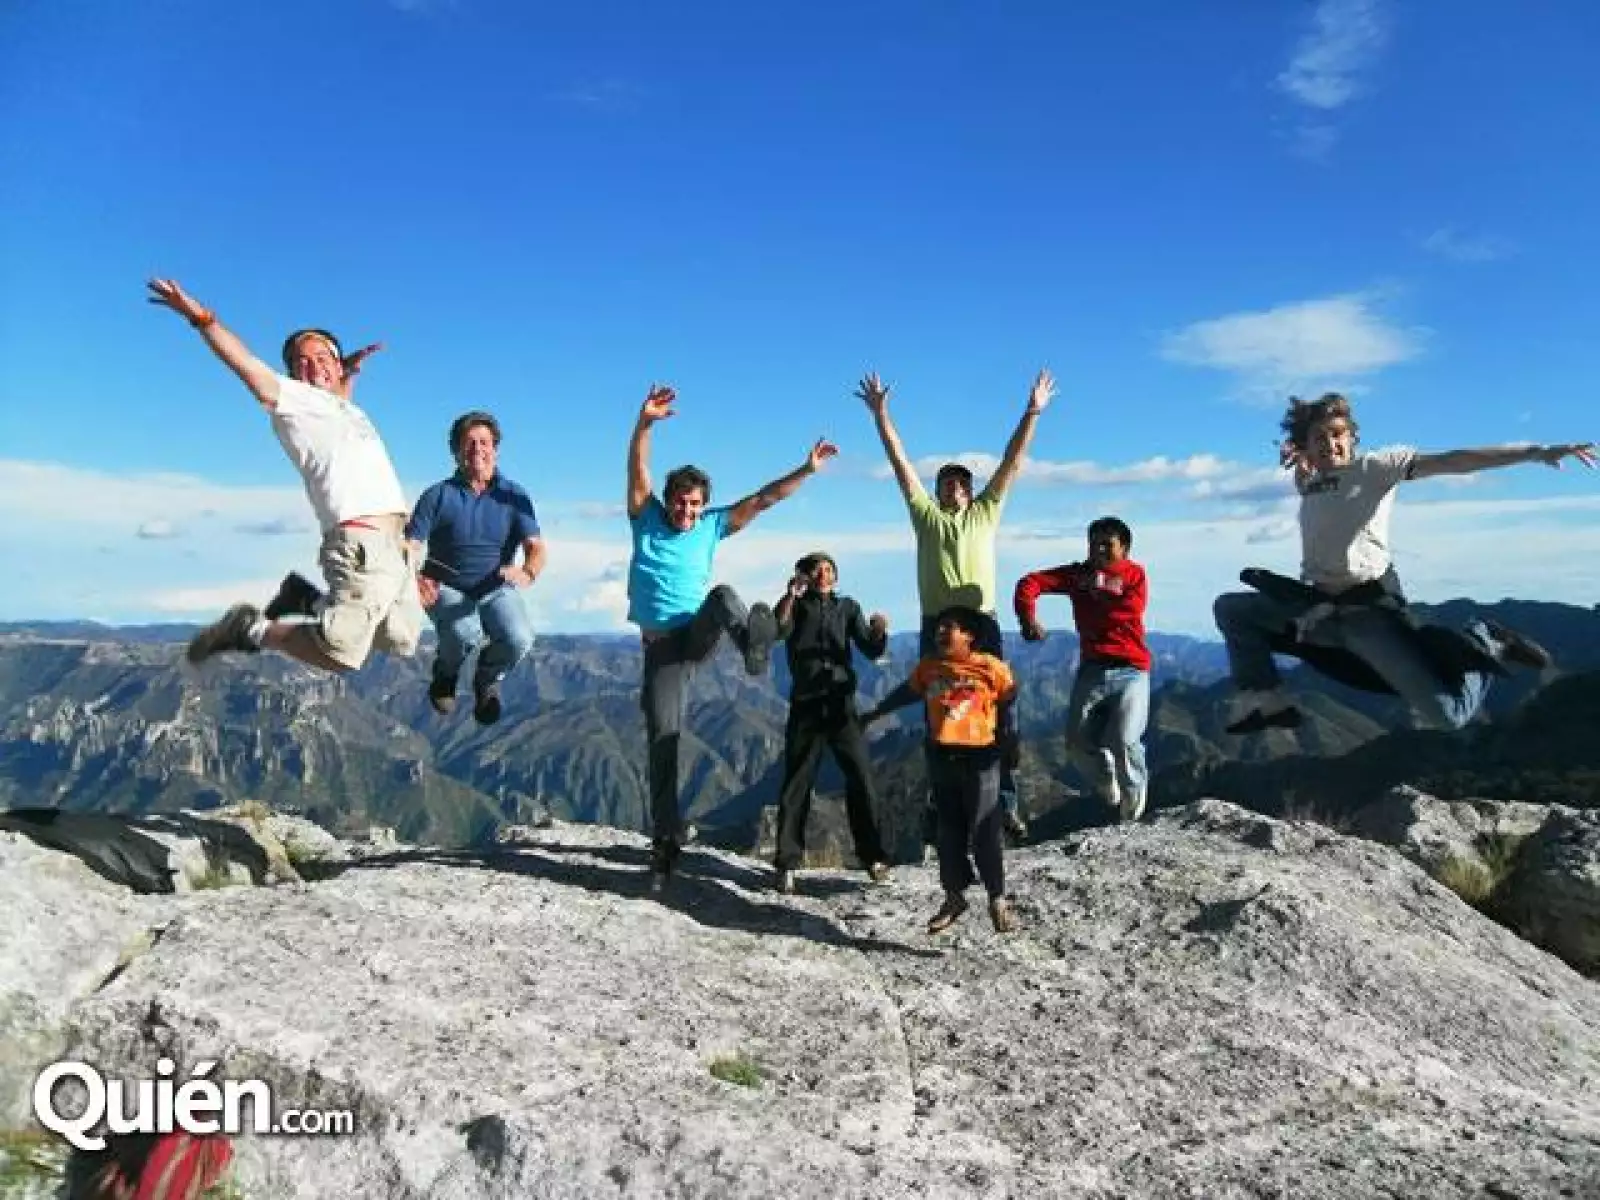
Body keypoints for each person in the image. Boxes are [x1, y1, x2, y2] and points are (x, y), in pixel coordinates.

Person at [1215, 392, 1596, 734]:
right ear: (1308, 446)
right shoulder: (1311, 481)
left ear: (1352, 440)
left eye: (1337, 434)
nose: (1330, 443)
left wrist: (1536, 451)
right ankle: (1268, 699)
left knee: (1447, 716)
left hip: (1367, 613)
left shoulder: (1375, 469)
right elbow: (1309, 479)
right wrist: (1300, 458)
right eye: (1320, 437)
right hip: (1314, 609)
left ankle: (1488, 638)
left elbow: (1453, 461)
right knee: (1232, 609)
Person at [146, 278, 422, 674]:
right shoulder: (294, 402)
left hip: (399, 540)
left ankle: (304, 599)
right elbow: (245, 366)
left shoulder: (342, 409)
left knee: (400, 638)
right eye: (301, 361)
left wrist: (349, 373)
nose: (312, 365)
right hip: (360, 538)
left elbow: (337, 400)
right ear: (292, 374)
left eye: (322, 356)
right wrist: (199, 317)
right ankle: (251, 629)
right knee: (339, 653)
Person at [626, 383, 836, 885]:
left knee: (722, 595)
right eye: (681, 502)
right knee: (663, 738)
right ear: (669, 501)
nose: (687, 511)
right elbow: (638, 470)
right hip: (663, 651)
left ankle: (754, 645)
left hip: (698, 632)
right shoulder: (645, 517)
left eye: (696, 504)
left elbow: (764, 499)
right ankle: (666, 837)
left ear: (704, 505)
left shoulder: (713, 526)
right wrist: (645, 425)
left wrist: (806, 471)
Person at [859, 369, 1055, 841]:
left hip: (983, 625)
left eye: (960, 483)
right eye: (946, 483)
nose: (953, 488)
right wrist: (881, 415)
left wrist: (1032, 412)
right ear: (939, 490)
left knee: (1001, 713)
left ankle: (1005, 804)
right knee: (938, 714)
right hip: (938, 626)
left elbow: (1012, 461)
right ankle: (942, 808)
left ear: (970, 491)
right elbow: (901, 464)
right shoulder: (925, 516)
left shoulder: (987, 512)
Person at [862, 606, 1018, 934]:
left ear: (970, 636)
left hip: (981, 757)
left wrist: (1010, 744)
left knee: (984, 828)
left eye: (950, 628)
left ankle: (997, 898)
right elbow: (907, 692)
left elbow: (1007, 702)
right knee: (948, 832)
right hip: (942, 757)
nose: (941, 633)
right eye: (939, 629)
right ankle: (954, 897)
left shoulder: (991, 668)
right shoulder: (929, 669)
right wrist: (874, 713)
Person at [403, 410, 546, 725]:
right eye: (468, 444)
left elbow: (536, 548)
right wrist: (413, 578)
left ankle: (487, 679)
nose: (477, 449)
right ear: (456, 452)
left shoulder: (514, 496)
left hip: (496, 585)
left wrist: (527, 572)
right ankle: (446, 673)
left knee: (519, 638)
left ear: (495, 448)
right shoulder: (437, 496)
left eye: (484, 442)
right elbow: (411, 545)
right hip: (446, 585)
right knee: (464, 630)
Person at [769, 551, 893, 894]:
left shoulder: (848, 607)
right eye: (816, 570)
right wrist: (790, 596)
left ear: (836, 576)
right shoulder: (797, 605)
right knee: (797, 784)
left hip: (841, 707)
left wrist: (880, 628)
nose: (823, 574)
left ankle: (873, 858)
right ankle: (787, 862)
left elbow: (870, 648)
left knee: (862, 778)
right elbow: (779, 629)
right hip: (807, 706)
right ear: (804, 576)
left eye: (828, 569)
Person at [1014, 516, 1151, 823]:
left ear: (1125, 548)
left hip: (1132, 670)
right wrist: (1027, 618)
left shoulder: (1135, 575)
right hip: (1093, 669)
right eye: (1094, 543)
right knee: (1076, 743)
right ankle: (1106, 782)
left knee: (1125, 739)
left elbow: (1131, 608)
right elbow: (1030, 583)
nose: (1099, 549)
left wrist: (1099, 584)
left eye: (1108, 544)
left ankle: (1134, 800)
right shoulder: (1078, 575)